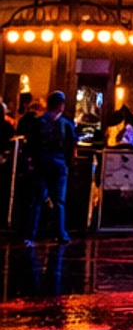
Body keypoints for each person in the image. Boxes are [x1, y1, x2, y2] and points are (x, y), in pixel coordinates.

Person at [23, 92, 75, 245]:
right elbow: (70, 147)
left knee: (37, 201)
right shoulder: (66, 125)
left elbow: (31, 144)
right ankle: (61, 234)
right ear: (61, 106)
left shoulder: (39, 122)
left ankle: (31, 235)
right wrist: (68, 163)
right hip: (59, 166)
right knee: (59, 201)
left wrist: (30, 160)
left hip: (41, 164)